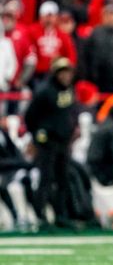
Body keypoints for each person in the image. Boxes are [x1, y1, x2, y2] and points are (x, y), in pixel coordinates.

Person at [24, 57, 76, 229]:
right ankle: (40, 215)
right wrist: (38, 134)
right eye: (62, 72)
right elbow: (30, 115)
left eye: (68, 72)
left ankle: (61, 215)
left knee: (63, 179)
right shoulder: (45, 91)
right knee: (46, 179)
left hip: (63, 141)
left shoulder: (69, 91)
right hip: (48, 142)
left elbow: (69, 113)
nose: (66, 76)